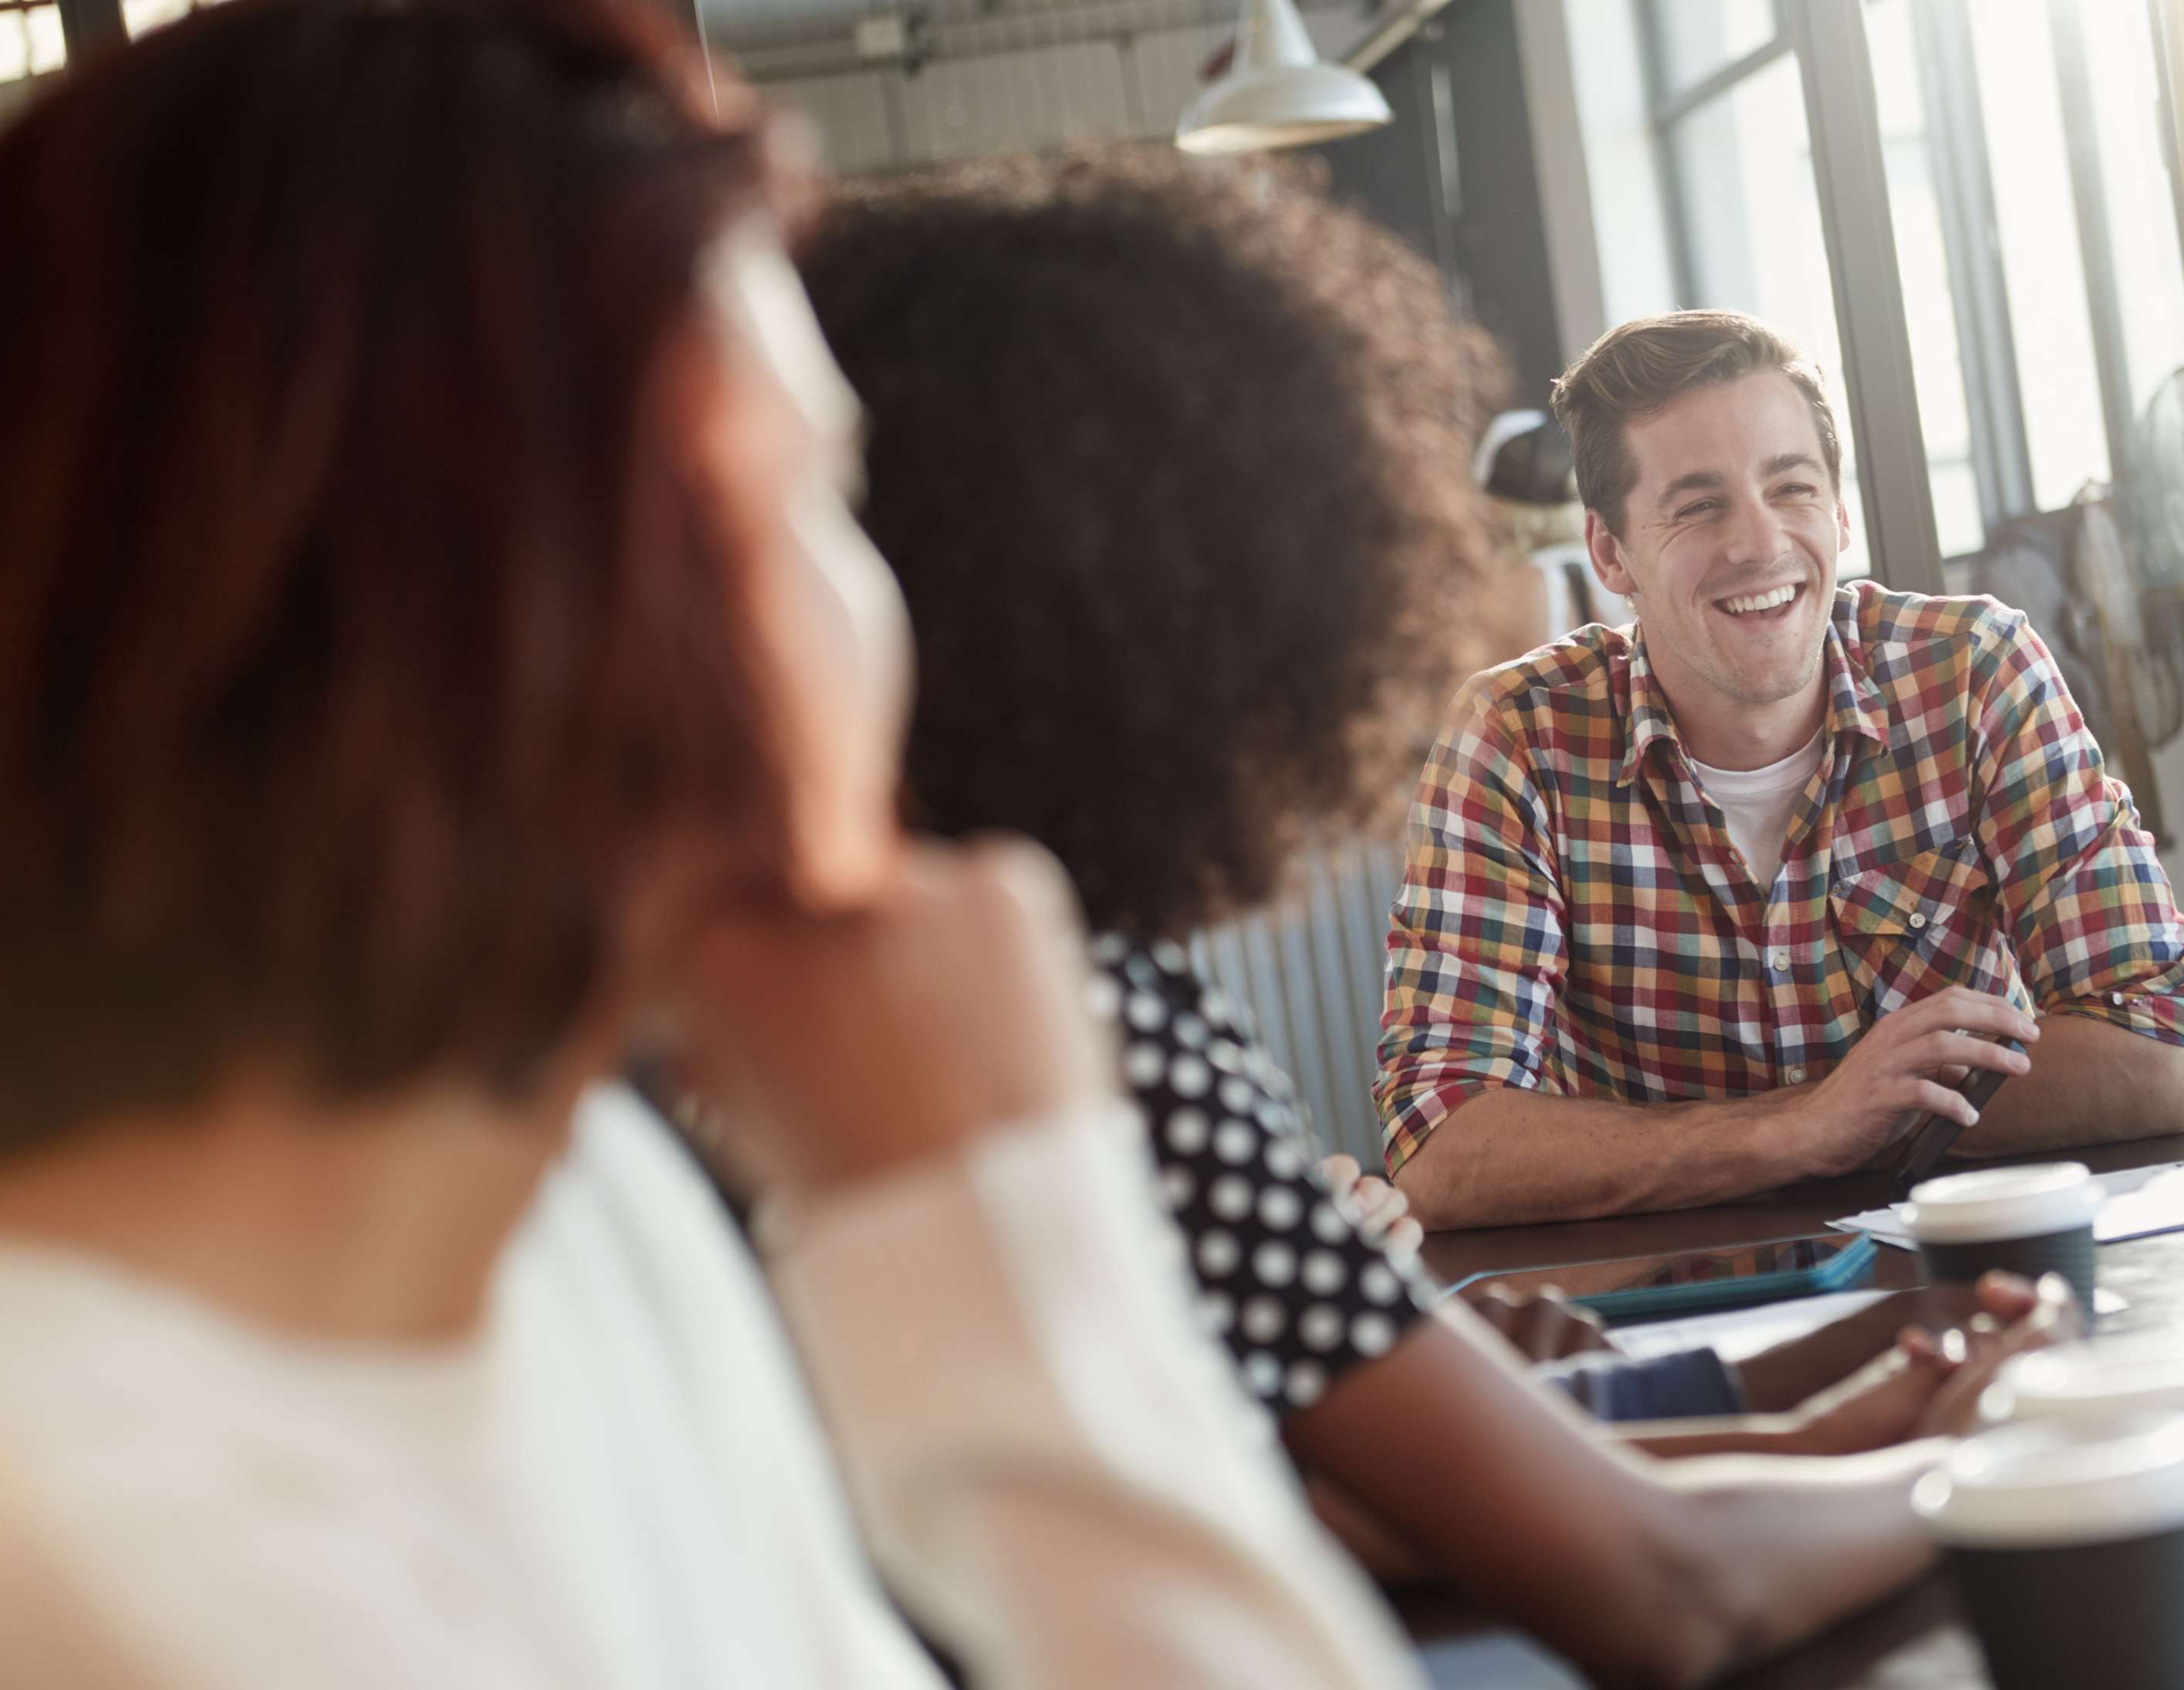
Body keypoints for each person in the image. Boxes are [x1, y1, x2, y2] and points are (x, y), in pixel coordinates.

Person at [0, 5, 1422, 1685]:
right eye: (818, 488)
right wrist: (1016, 1238)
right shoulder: (101, 1558)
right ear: (556, 593)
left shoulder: (582, 1226)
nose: (883, 603)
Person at [802, 149, 2081, 1688]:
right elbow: (1665, 1591)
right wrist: (1993, 1452)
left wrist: (1828, 1413)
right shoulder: (1062, 1017)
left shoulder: (877, 986)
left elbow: (1337, 1494)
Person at [1378, 310, 2184, 1229]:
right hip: (1670, 1309)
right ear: (1610, 552)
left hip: (1967, 1266)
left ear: (1840, 510)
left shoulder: (1976, 671)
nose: (1760, 542)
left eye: (1792, 487)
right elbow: (1443, 1145)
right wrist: (1797, 1130)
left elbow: (2160, 1050)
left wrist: (1873, 1123)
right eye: (1699, 505)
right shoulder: (1517, 738)